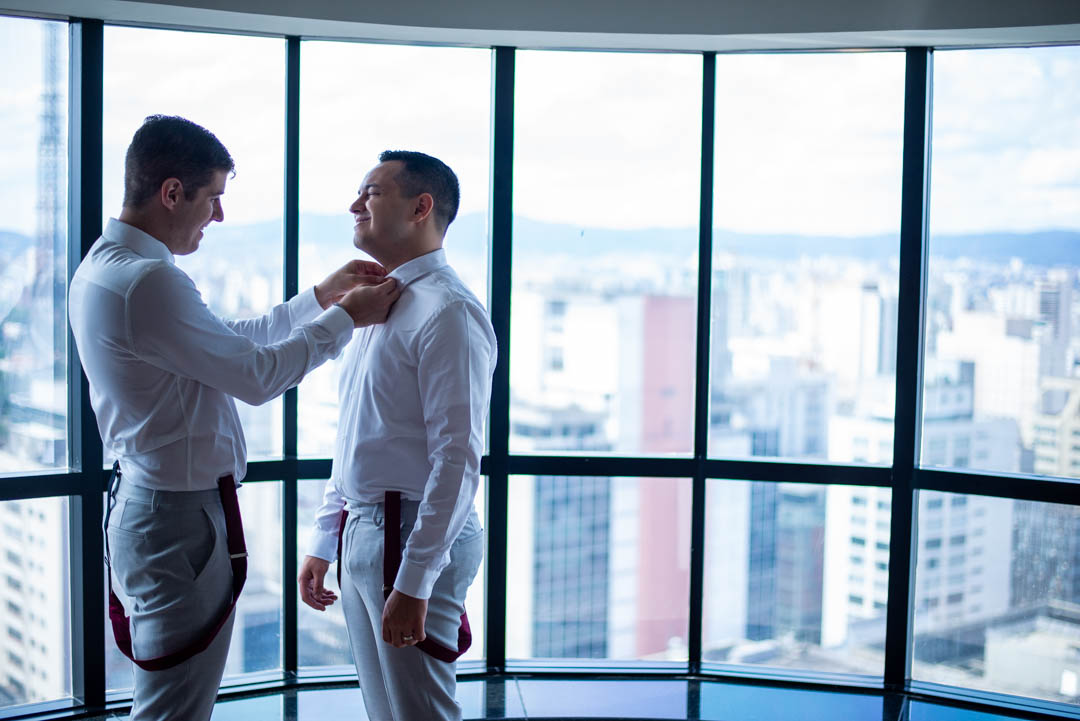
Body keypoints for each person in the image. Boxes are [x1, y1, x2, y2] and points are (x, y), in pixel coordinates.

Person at [68, 114, 400, 721]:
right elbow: (255, 376)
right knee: (175, 711)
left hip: (157, 508)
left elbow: (225, 345)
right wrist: (347, 319)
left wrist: (318, 300)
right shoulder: (148, 281)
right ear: (173, 192)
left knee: (171, 703)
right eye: (213, 198)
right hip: (178, 519)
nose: (218, 218)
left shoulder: (105, 266)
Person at [298, 150, 497, 721]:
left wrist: (415, 579)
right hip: (366, 528)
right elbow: (358, 432)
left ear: (420, 207)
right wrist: (325, 536)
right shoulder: (377, 303)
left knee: (420, 716)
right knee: (385, 714)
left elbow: (457, 458)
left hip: (409, 534)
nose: (355, 205)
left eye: (372, 192)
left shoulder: (448, 311)